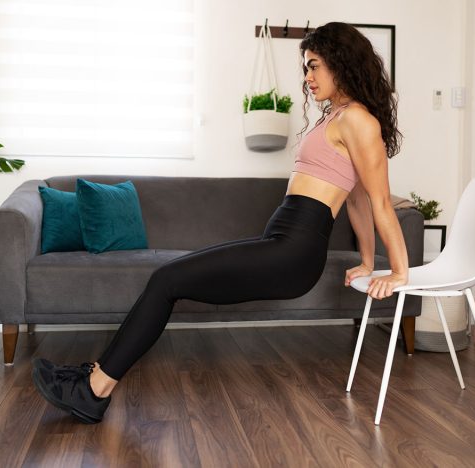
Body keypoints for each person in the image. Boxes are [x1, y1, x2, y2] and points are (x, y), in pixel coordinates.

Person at [32, 22, 409, 424]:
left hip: (294, 252)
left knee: (166, 281)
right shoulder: (335, 116)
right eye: (305, 68)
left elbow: (377, 201)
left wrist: (398, 270)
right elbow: (354, 201)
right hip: (281, 242)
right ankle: (94, 376)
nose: (308, 77)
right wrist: (366, 262)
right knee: (167, 277)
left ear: (340, 61)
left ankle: (94, 390)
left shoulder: (359, 122)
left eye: (314, 66)